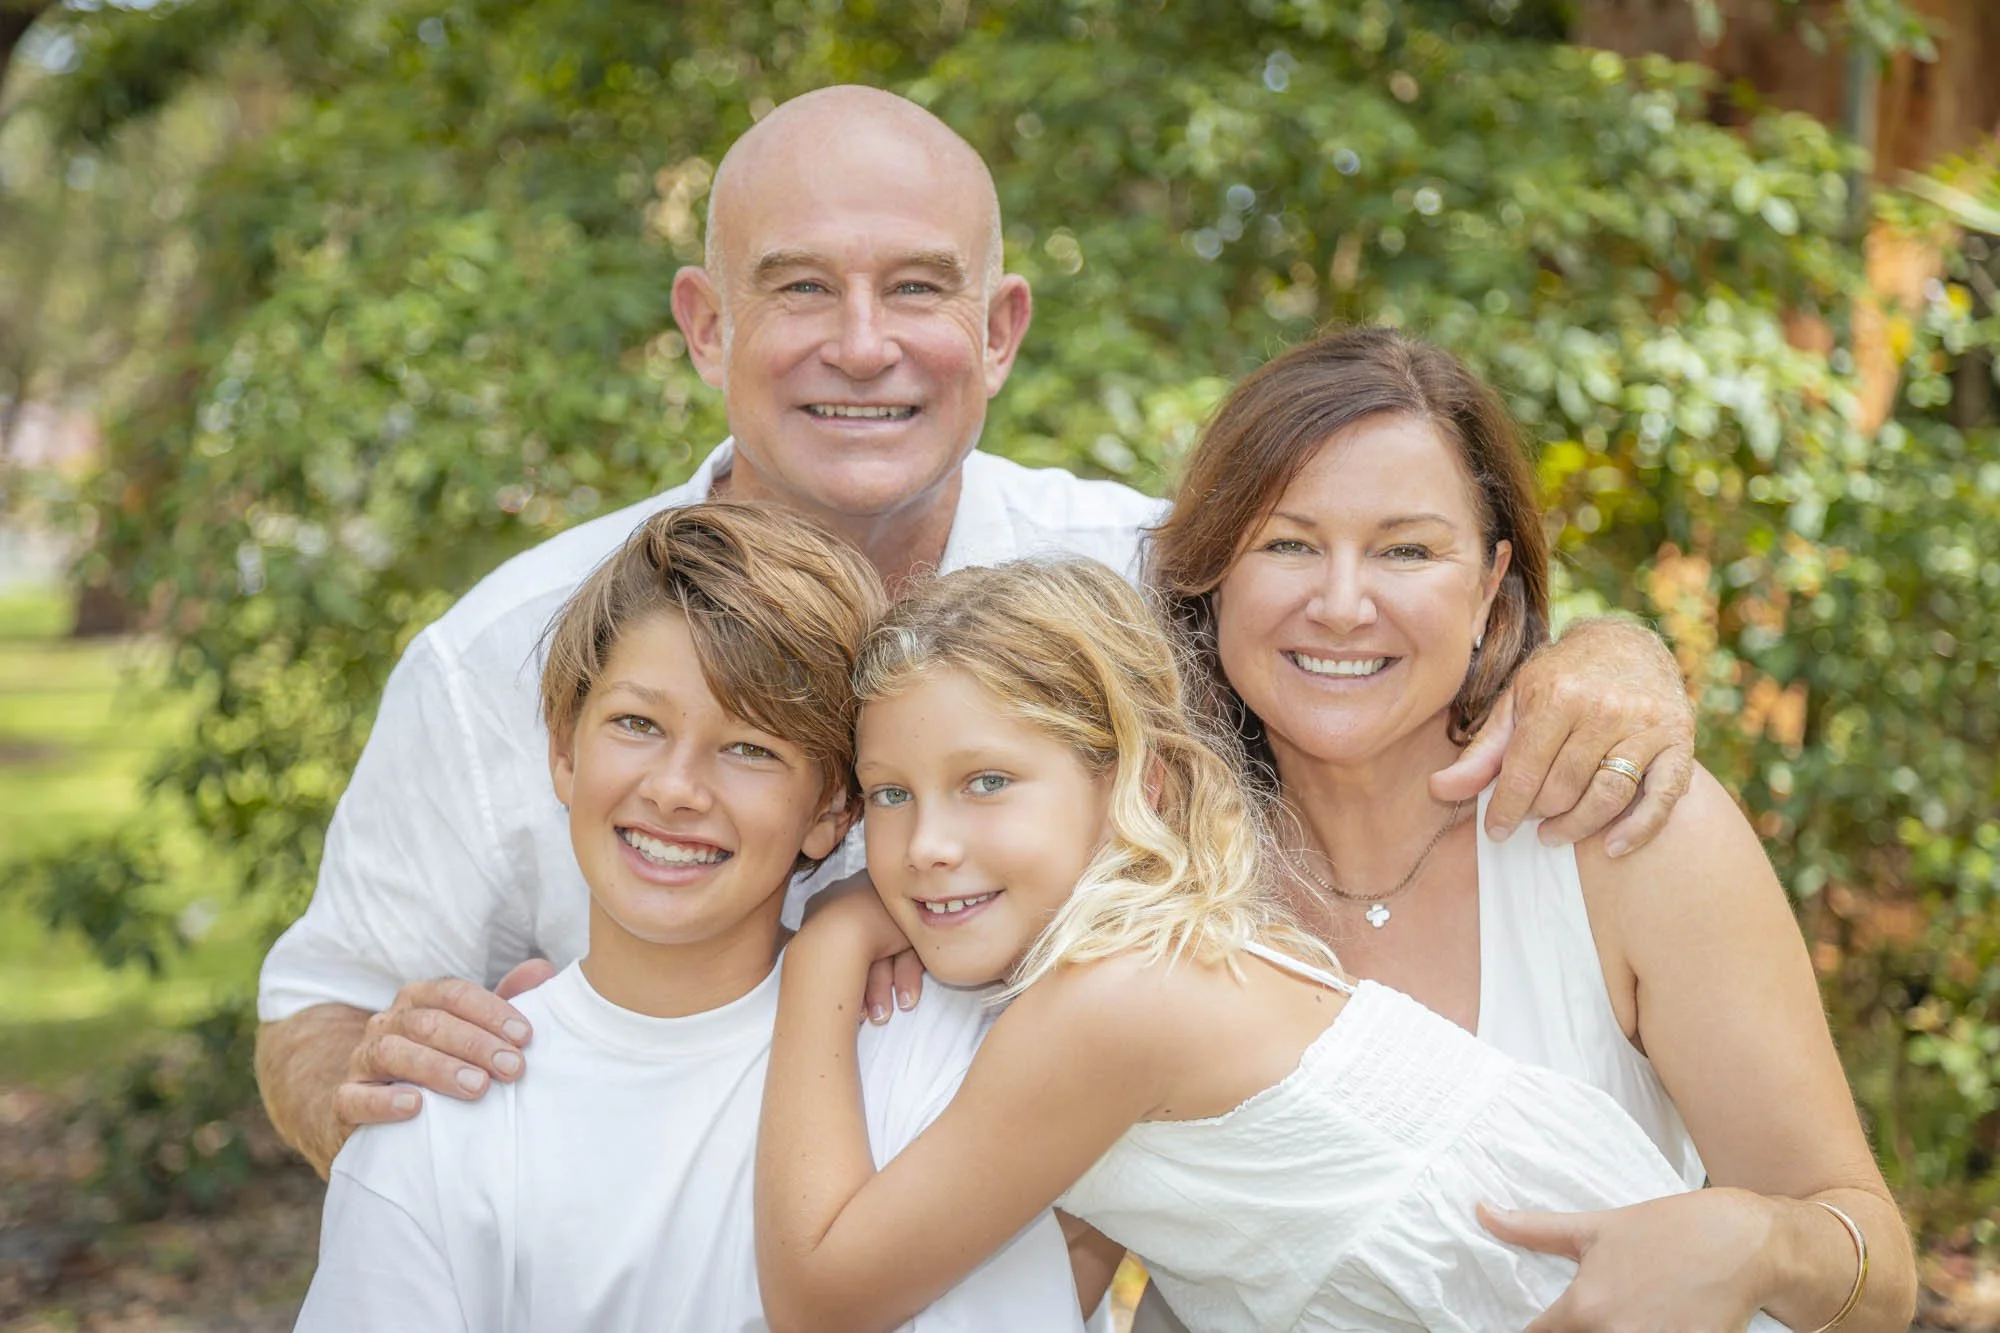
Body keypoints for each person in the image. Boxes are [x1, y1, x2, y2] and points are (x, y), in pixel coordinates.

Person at [252, 85, 1694, 1185]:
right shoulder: (503, 653)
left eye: (920, 288)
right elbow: (319, 1010)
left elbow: (1382, 632)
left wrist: (1603, 656)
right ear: (706, 326)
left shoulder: (1142, 584)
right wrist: (361, 1081)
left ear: (1001, 330)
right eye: (801, 285)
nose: (865, 344)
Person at [754, 554, 1792, 1333]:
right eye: (890, 794)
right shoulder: (1176, 946)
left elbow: (820, 1290)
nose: (926, 846)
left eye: (987, 782)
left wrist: (823, 948)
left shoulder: (1111, 1002)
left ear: (1139, 788)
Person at [1141, 326, 1914, 1329]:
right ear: (1210, 574)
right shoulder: (1153, 870)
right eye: (1286, 543)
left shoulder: (1622, 839)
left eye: (1405, 549)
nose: (1339, 604)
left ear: (1488, 584)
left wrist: (1756, 1243)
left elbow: (1879, 1272)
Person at [294, 503, 1085, 1331]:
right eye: (637, 724)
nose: (676, 787)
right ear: (563, 750)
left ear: (831, 809)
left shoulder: (935, 1062)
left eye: (751, 748)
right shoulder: (442, 1105)